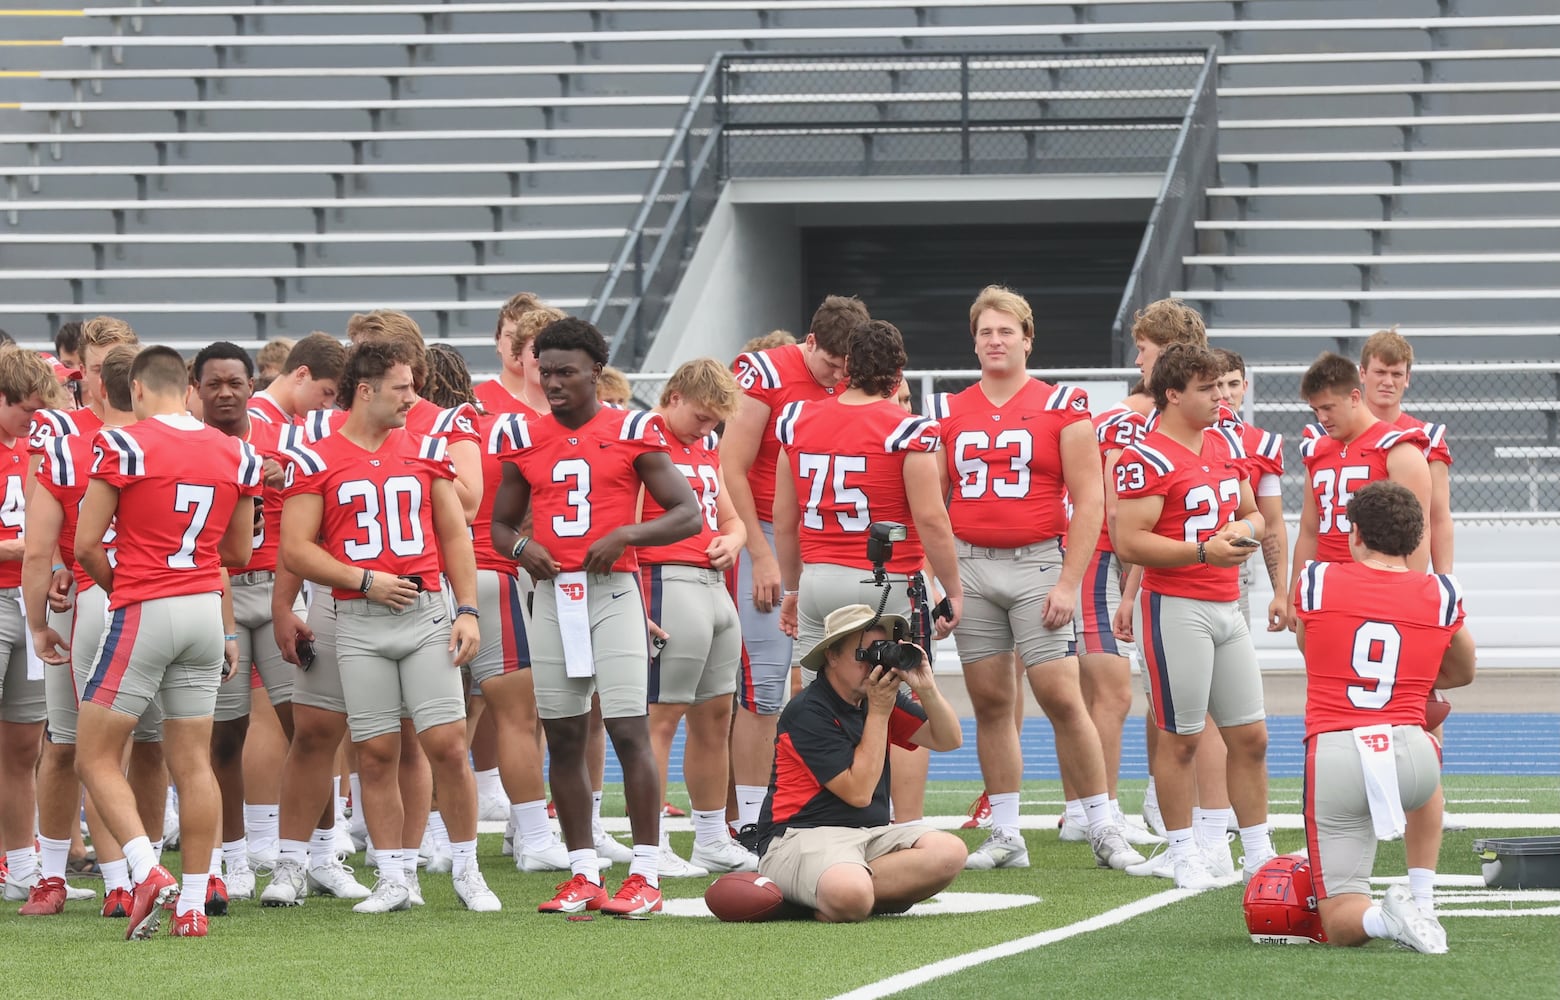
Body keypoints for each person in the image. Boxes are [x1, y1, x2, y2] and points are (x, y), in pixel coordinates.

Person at [489, 316, 702, 917]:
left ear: (595, 373)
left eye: (566, 372)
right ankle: (583, 871)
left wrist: (627, 534)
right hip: (553, 597)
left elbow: (686, 514)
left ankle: (645, 873)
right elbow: (500, 523)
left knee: (628, 730)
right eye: (545, 370)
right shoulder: (522, 435)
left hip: (611, 591)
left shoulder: (633, 428)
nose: (553, 382)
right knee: (561, 733)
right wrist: (518, 549)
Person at [926, 285, 1142, 872]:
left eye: (1006, 331)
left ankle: (1102, 824)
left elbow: (1090, 498)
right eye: (985, 332)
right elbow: (932, 501)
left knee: (1061, 696)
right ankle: (1005, 831)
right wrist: (943, 582)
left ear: (1027, 338)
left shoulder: (1063, 404)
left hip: (1038, 562)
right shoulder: (948, 410)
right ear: (973, 341)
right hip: (970, 563)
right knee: (992, 702)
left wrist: (1069, 581)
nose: (995, 341)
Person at [278, 339, 497, 915]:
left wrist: (468, 609)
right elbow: (296, 548)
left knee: (447, 745)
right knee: (374, 751)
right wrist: (362, 579)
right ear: (367, 390)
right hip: (356, 617)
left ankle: (468, 869)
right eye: (402, 387)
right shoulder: (315, 456)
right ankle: (396, 877)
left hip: (424, 612)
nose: (413, 397)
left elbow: (455, 536)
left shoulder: (426, 448)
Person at [74, 345, 262, 940]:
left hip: (145, 609)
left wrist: (124, 587)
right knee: (193, 762)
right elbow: (238, 553)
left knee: (95, 754)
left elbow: (84, 547)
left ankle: (146, 870)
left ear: (132, 389)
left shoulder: (124, 443)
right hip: (206, 610)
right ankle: (191, 907)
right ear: (188, 388)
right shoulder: (237, 451)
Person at [772, 318, 962, 825]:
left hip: (816, 579)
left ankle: (809, 818)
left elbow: (784, 519)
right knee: (901, 703)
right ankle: (904, 827)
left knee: (812, 697)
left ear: (848, 366)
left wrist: (793, 586)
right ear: (898, 373)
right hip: (883, 585)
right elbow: (930, 518)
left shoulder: (797, 418)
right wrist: (954, 588)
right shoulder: (907, 428)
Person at [1112, 343, 1276, 891]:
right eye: (1206, 389)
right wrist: (1201, 552)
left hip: (1227, 603)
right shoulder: (1147, 456)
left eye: (1222, 386)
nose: (1219, 398)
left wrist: (1240, 534)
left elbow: (1254, 514)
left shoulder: (1226, 441)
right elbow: (1128, 540)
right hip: (1176, 606)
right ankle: (1183, 850)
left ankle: (1257, 852)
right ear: (1173, 393)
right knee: (1181, 739)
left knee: (1251, 736)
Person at [1294, 481, 1475, 952]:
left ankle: (1385, 920)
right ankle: (1422, 898)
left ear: (1354, 533)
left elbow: (1309, 649)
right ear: (1417, 541)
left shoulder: (1317, 579)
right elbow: (1463, 670)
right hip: (1413, 759)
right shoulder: (1441, 593)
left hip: (1338, 751)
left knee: (1339, 919)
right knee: (1428, 740)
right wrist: (1410, 683)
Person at [719, 295, 862, 838]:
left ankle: (815, 806)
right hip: (770, 539)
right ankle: (754, 819)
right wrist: (759, 553)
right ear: (808, 344)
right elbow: (730, 465)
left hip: (831, 544)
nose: (837, 377)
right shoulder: (765, 373)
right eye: (829, 365)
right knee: (766, 686)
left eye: (847, 369)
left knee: (837, 681)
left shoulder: (858, 375)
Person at [756, 604, 965, 922]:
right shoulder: (808, 712)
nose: (873, 665)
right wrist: (880, 713)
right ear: (832, 656)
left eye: (881, 652)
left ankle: (839, 893)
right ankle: (847, 893)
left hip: (868, 836)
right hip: (800, 837)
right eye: (863, 654)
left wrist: (927, 687)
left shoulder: (877, 697)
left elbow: (948, 739)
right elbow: (858, 793)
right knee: (852, 893)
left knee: (950, 853)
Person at [638, 358, 756, 876]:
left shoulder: (703, 446)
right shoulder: (642, 438)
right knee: (662, 718)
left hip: (712, 587)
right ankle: (652, 841)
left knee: (715, 716)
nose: (708, 429)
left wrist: (732, 540)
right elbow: (625, 521)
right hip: (665, 579)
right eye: (703, 416)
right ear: (676, 396)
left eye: (716, 422)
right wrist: (634, 600)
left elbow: (731, 520)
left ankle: (710, 836)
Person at [0, 348, 62, 910]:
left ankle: (21, 866)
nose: (33, 420)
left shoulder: (40, 448)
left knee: (24, 744)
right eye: (25, 409)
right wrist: (14, 548)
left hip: (29, 600)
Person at [475, 292, 552, 416]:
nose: (519, 344)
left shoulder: (566, 401)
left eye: (527, 338)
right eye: (511, 336)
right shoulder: (477, 402)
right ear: (499, 341)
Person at [247, 332, 345, 427]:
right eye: (326, 392)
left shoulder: (301, 420)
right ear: (302, 375)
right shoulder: (252, 422)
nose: (327, 405)